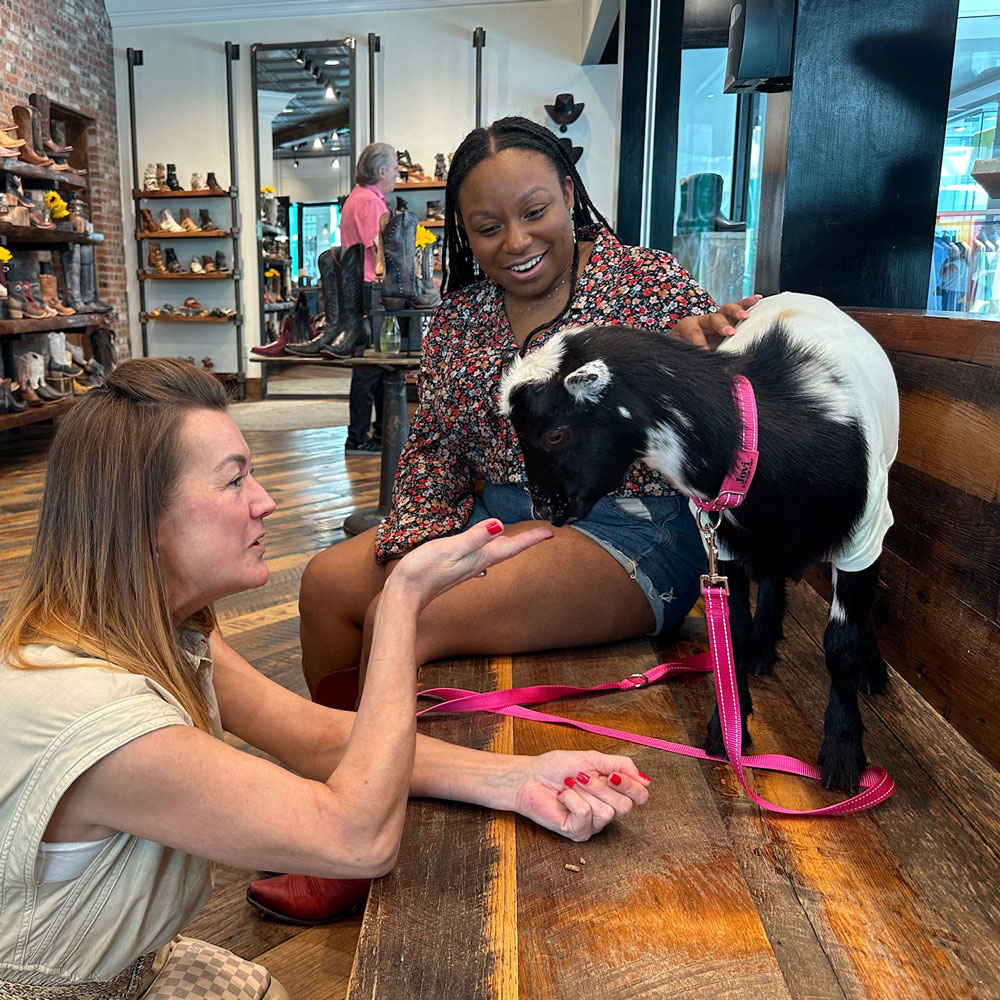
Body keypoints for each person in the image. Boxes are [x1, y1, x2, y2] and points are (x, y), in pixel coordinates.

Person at [0, 357, 651, 996]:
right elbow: (356, 840)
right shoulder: (96, 712)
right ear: (141, 518)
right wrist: (400, 605)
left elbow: (313, 737)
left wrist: (516, 778)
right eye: (233, 482)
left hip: (135, 966)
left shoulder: (151, 632)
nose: (266, 501)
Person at [278, 115, 757, 923]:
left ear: (570, 194)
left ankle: (356, 836)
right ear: (462, 233)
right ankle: (339, 792)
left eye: (535, 210)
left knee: (408, 617)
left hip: (633, 526)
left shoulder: (649, 283)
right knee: (328, 585)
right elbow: (431, 452)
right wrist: (416, 546)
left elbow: (721, 401)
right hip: (496, 518)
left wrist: (706, 345)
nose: (516, 240)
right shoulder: (460, 319)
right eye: (487, 226)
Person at [339, 141, 396, 454]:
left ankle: (368, 432)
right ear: (383, 170)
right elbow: (378, 247)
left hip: (359, 284)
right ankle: (358, 435)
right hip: (367, 285)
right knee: (370, 364)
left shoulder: (359, 198)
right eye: (396, 168)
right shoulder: (368, 202)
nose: (398, 175)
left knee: (371, 362)